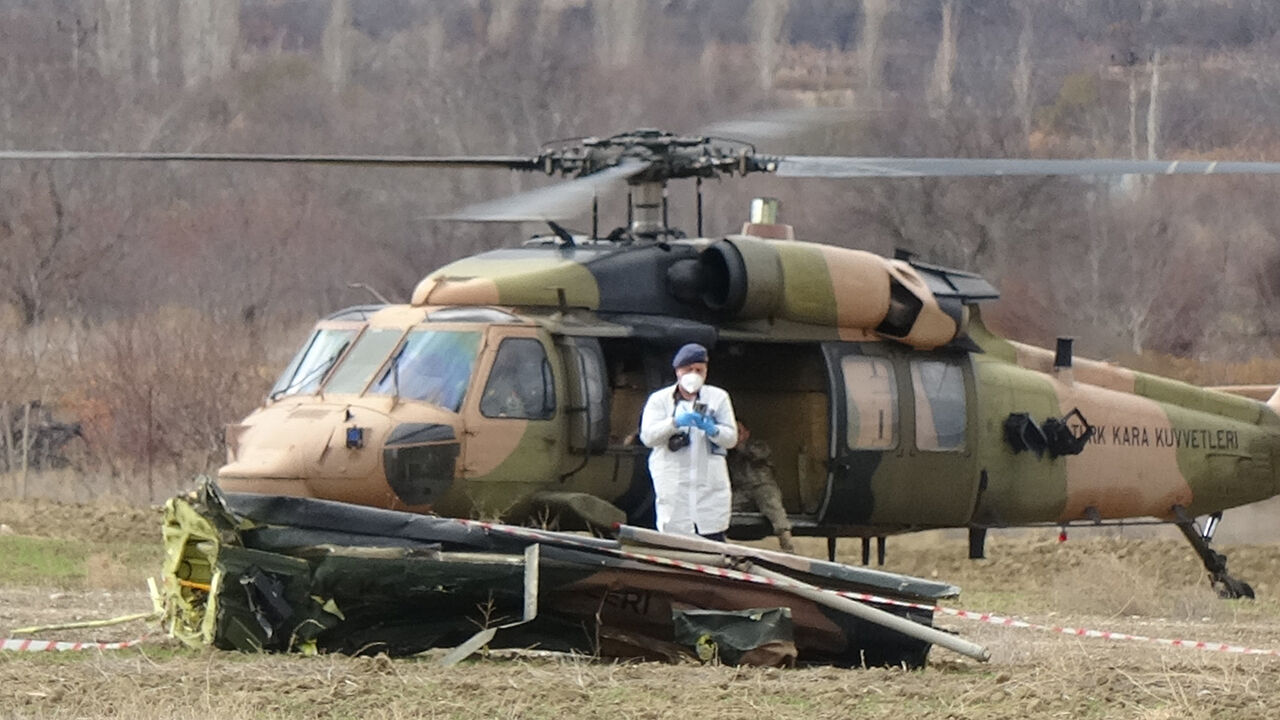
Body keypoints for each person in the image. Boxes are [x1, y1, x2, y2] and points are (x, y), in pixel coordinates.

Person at [639, 343, 738, 540]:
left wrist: (713, 429)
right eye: (688, 369)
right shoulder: (659, 400)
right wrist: (674, 423)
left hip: (708, 482)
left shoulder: (718, 398)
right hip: (674, 481)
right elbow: (648, 437)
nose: (694, 374)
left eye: (699, 370)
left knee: (712, 536)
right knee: (675, 535)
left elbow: (731, 439)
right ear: (677, 371)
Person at [728, 422, 796, 553]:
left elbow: (758, 454)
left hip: (762, 486)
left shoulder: (758, 445)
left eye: (739, 431)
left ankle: (787, 543)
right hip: (741, 490)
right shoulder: (729, 453)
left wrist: (739, 445)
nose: (735, 434)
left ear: (747, 433)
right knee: (724, 509)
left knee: (773, 507)